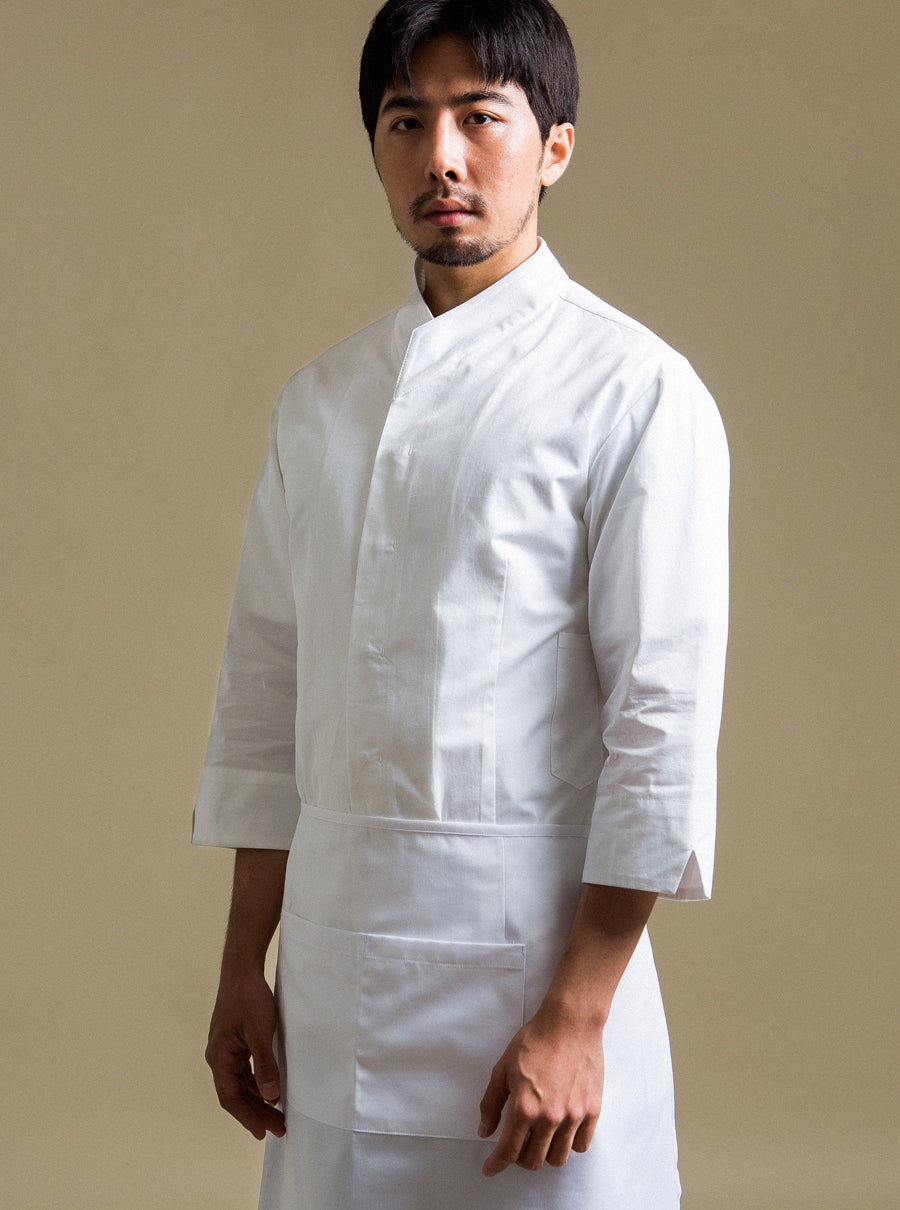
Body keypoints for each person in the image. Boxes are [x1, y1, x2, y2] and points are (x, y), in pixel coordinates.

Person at [193, 1, 729, 1206]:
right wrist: (240, 965)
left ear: (554, 148)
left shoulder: (634, 391)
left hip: (534, 992)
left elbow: (661, 722)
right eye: (406, 120)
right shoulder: (319, 403)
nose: (441, 156)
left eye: (481, 117)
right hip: (332, 991)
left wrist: (577, 1014)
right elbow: (266, 695)